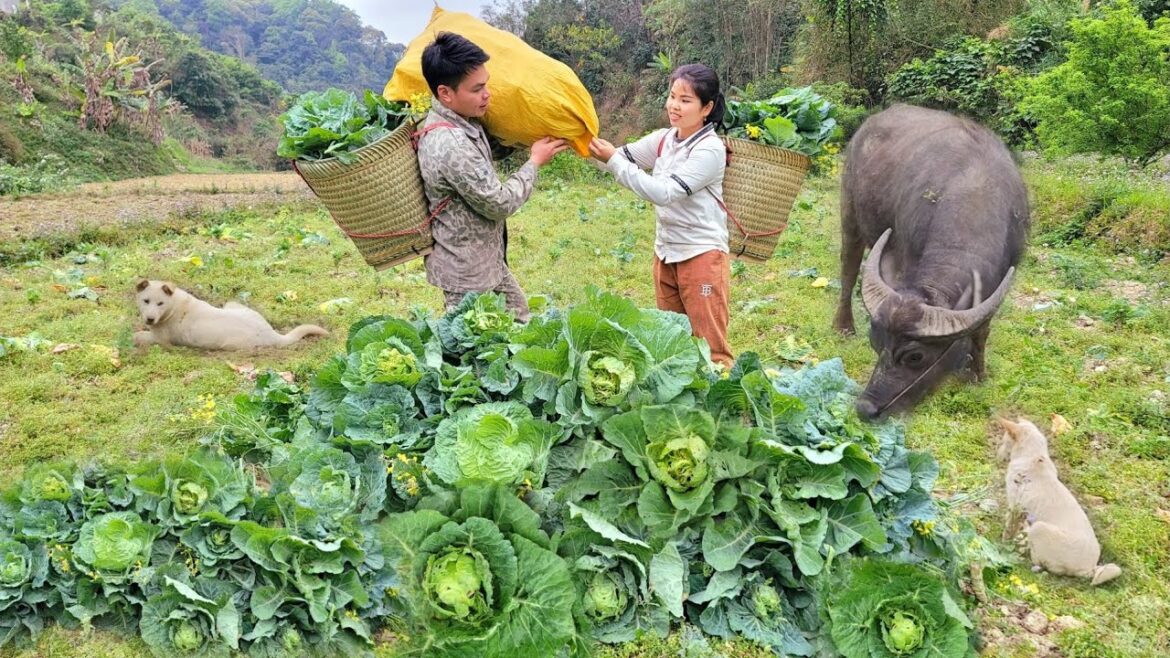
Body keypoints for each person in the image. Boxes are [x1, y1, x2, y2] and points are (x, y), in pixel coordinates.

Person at [415, 32, 569, 322]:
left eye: (486, 85)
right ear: (445, 93)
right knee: (476, 349)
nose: (487, 94)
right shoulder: (451, 144)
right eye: (477, 89)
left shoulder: (463, 122)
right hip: (467, 274)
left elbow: (487, 154)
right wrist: (534, 162)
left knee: (520, 321)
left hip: (488, 262)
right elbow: (499, 202)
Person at [589, 64, 733, 366]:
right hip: (666, 255)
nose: (674, 106)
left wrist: (613, 160)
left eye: (685, 100)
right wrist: (579, 140)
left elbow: (664, 192)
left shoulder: (709, 150)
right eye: (672, 96)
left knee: (711, 347)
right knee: (672, 338)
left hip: (702, 260)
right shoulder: (664, 139)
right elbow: (617, 159)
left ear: (706, 108)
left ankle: (724, 403)